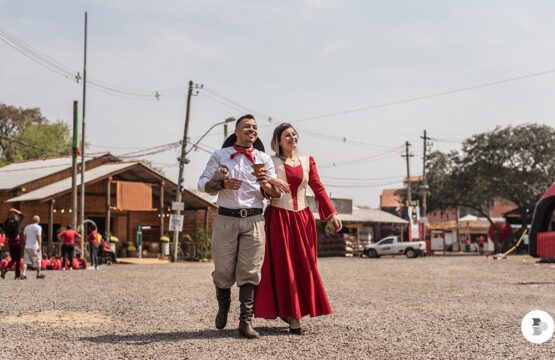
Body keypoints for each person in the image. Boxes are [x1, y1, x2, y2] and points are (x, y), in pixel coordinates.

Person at [197, 114, 284, 339]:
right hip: (226, 218)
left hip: (254, 219)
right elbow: (202, 184)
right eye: (247, 126)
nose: (252, 130)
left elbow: (274, 194)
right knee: (224, 269)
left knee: (250, 270)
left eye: (255, 127)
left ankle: (245, 322)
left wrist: (267, 184)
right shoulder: (220, 155)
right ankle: (223, 306)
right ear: (236, 131)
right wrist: (222, 183)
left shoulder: (263, 159)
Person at [254, 123, 342, 335]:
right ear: (278, 141)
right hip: (278, 218)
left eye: (294, 134)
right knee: (283, 267)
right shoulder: (270, 162)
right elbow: (263, 190)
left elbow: (318, 188)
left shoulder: (307, 161)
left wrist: (332, 213)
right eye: (287, 135)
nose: (292, 138)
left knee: (304, 266)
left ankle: (295, 311)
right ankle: (293, 318)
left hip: (303, 219)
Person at [1, 208, 24, 279]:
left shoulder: (6, 225)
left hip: (10, 241)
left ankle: (5, 269)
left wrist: (9, 214)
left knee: (13, 258)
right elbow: (22, 215)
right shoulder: (16, 223)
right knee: (18, 259)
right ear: (15, 219)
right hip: (17, 241)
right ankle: (17, 276)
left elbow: (4, 222)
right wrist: (14, 210)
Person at [21, 215, 46, 279]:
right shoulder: (38, 227)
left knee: (25, 261)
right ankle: (38, 274)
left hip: (27, 246)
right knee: (37, 260)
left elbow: (25, 237)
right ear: (39, 221)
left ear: (32, 220)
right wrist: (40, 246)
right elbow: (38, 237)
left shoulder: (27, 227)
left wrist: (26, 243)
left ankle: (23, 273)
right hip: (34, 246)